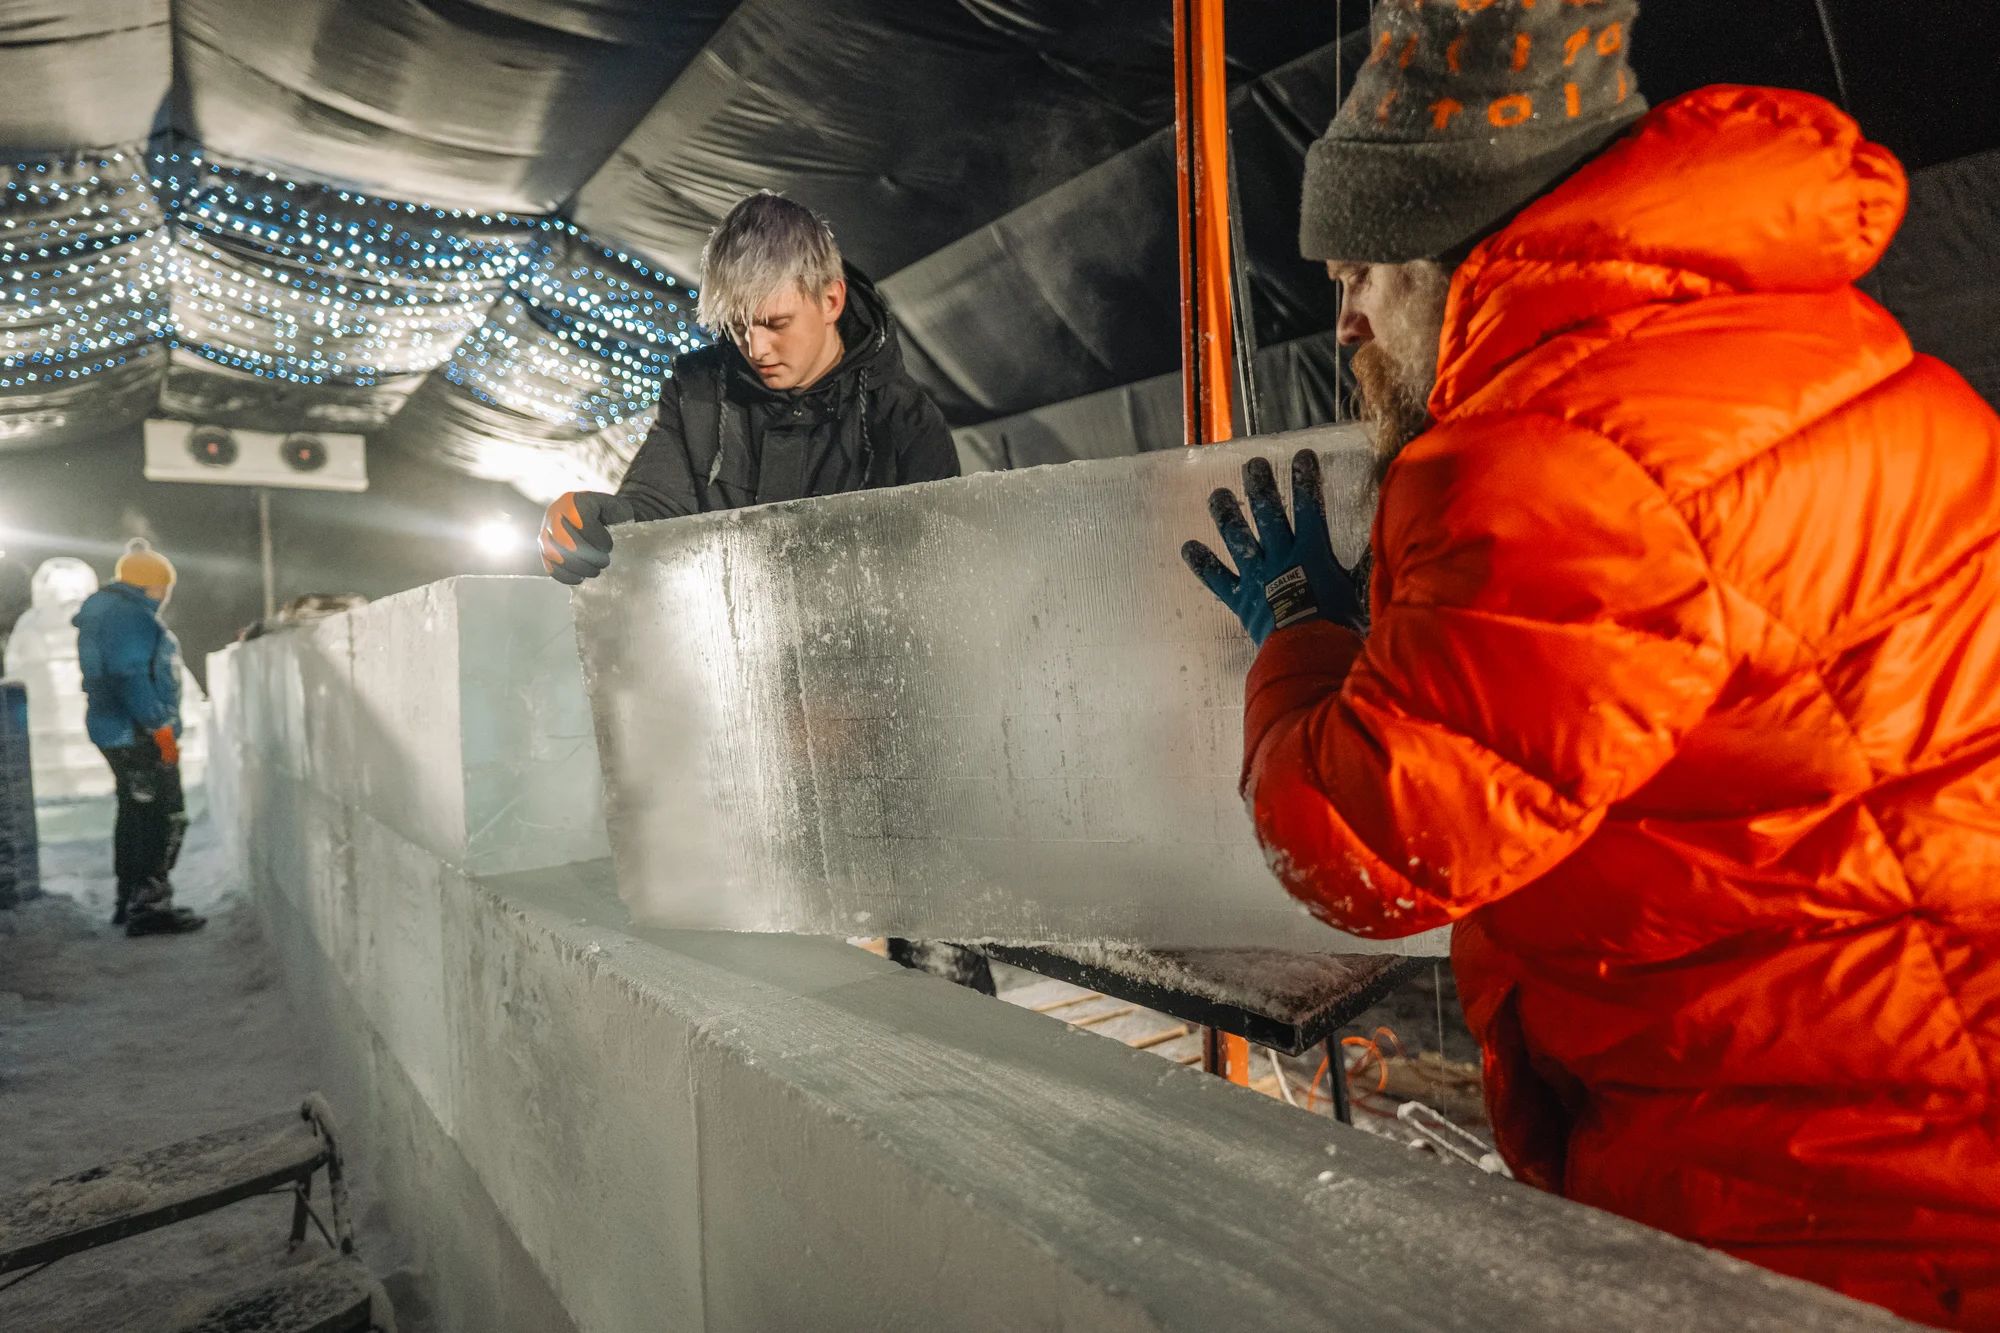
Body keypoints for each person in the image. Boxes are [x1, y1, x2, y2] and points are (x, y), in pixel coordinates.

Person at [1183, 2, 2000, 1327]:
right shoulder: (1820, 353)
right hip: (1927, 1083)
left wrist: (1299, 636)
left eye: (1364, 275)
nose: (1342, 324)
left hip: (1831, 1194)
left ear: (1460, 247)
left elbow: (1360, 842)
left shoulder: (1556, 459)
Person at [537, 190, 959, 583]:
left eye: (777, 323)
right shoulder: (697, 392)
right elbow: (657, 512)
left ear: (831, 301)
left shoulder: (905, 419)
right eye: (738, 326)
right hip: (729, 652)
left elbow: (940, 570)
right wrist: (599, 525)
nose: (756, 349)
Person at [74, 540, 204, 936]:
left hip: (119, 730)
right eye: (164, 586)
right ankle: (149, 910)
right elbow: (132, 678)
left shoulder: (108, 613)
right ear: (152, 586)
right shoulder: (130, 618)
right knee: (161, 816)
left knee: (135, 813)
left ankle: (129, 901)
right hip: (138, 734)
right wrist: (162, 733)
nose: (166, 595)